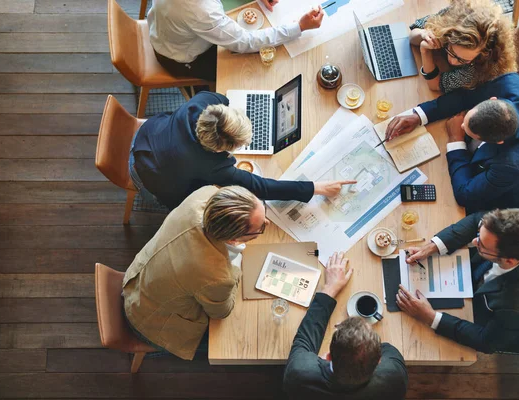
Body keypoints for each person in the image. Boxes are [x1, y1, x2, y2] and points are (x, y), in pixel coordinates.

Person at [129, 91, 355, 210]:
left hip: (147, 136)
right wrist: (316, 188)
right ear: (218, 151)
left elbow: (224, 102)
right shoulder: (213, 168)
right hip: (147, 176)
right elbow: (262, 187)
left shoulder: (201, 104)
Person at [122, 185, 270, 360]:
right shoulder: (218, 277)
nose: (267, 222)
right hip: (148, 322)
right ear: (233, 239)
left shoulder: (203, 194)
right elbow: (221, 312)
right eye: (260, 229)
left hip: (138, 279)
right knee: (241, 339)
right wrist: (236, 268)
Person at [384, 73, 519, 214]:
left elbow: (465, 194)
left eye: (468, 130)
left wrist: (456, 140)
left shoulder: (511, 166)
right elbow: (465, 96)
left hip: (503, 202)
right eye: (467, 120)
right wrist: (419, 116)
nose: (462, 125)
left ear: (497, 141)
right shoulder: (510, 82)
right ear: (492, 100)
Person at [396, 208, 519, 354]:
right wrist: (431, 247)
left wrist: (429, 316)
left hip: (499, 323)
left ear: (509, 261)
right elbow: (476, 219)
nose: (474, 241)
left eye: (481, 246)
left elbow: (486, 342)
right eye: (479, 234)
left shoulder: (517, 309)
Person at [283, 252, 408, 399]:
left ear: (328, 357)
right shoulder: (394, 379)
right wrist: (362, 335)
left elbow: (304, 338)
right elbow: (388, 348)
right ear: (379, 360)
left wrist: (330, 288)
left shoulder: (300, 373)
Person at [148, 0, 324, 81]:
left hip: (164, 31)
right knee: (256, 72)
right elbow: (245, 42)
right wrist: (299, 27)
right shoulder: (200, 10)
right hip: (182, 58)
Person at [409, 0, 517, 93]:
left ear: (484, 54)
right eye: (451, 51)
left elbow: (435, 85)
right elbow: (413, 32)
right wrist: (423, 34)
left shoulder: (478, 68)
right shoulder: (454, 18)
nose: (453, 61)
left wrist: (425, 51)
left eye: (463, 60)